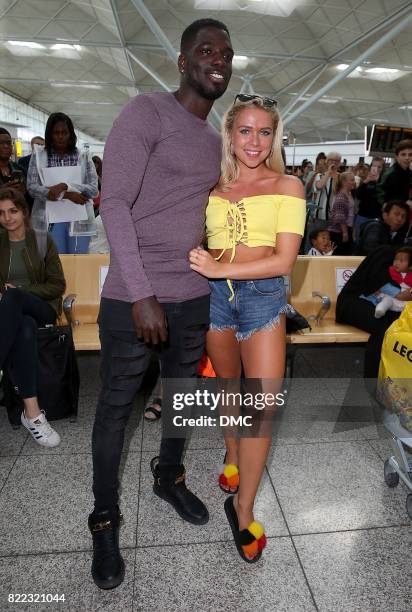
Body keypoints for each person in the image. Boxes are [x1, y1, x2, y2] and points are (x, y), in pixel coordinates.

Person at [89, 18, 233, 590]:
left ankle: (168, 476)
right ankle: (104, 516)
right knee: (116, 411)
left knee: (185, 396)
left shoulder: (216, 139)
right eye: (205, 50)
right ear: (181, 61)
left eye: (225, 52)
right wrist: (141, 290)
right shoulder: (145, 112)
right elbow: (115, 202)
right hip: (134, 297)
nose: (217, 59)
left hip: (192, 294)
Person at [189, 94, 305, 563]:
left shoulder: (289, 185)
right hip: (214, 302)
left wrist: (219, 270)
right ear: (229, 134)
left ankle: (244, 507)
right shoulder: (210, 186)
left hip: (263, 303)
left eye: (264, 132)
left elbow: (284, 260)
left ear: (274, 138)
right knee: (229, 390)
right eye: (245, 130)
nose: (254, 141)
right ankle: (232, 455)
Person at [0, 187, 65, 446]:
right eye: (1, 213)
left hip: (43, 307)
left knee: (15, 298)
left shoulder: (42, 239)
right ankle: (33, 414)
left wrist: (22, 291)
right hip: (11, 316)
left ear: (24, 212)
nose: (7, 217)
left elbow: (57, 285)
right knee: (24, 328)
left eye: (13, 211)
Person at [27, 112, 98, 254]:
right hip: (50, 220)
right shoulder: (39, 156)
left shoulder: (82, 156)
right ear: (49, 134)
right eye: (56, 132)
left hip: (79, 220)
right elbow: (31, 187)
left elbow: (94, 189)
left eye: (64, 132)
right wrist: (65, 195)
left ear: (71, 134)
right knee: (56, 263)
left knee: (79, 262)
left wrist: (66, 186)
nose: (60, 136)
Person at [336, 245, 412, 378]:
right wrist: (398, 294)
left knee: (398, 322)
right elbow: (375, 276)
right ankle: (374, 378)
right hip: (353, 301)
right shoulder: (388, 251)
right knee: (385, 327)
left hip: (378, 303)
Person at [361, 247, 412, 318]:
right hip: (390, 297)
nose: (396, 263)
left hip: (405, 302)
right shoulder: (389, 271)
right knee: (387, 299)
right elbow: (381, 282)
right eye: (395, 259)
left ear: (410, 266)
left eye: (401, 261)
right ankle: (381, 308)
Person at [354, 156, 385, 241]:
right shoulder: (366, 180)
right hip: (362, 215)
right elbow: (358, 195)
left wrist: (378, 183)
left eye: (379, 167)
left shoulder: (384, 181)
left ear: (383, 169)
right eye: (374, 166)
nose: (377, 169)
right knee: (359, 240)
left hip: (376, 217)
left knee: (372, 242)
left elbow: (382, 199)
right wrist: (366, 181)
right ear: (371, 166)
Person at [328, 171, 355, 255]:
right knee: (341, 254)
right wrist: (345, 232)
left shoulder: (349, 194)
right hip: (339, 231)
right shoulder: (341, 196)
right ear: (344, 182)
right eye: (351, 180)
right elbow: (340, 216)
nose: (354, 182)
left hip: (346, 228)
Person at [377, 139, 412, 206]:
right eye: (403, 154)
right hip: (393, 211)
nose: (407, 158)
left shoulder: (410, 172)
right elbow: (379, 194)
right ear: (397, 157)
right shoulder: (389, 174)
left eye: (410, 155)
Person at [313, 151, 341, 225]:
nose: (334, 163)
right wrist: (328, 172)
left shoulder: (341, 177)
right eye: (331, 160)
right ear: (327, 162)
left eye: (337, 161)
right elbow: (319, 186)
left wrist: (335, 175)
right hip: (320, 215)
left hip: (336, 217)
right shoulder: (319, 176)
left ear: (339, 163)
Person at [0, 128, 26, 195]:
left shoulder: (20, 169)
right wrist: (2, 191)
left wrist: (24, 191)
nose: (6, 146)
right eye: (1, 143)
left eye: (8, 143)